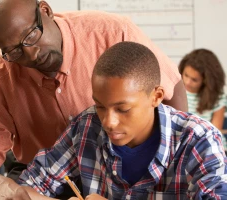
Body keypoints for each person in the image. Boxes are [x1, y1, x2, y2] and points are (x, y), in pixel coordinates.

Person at [0, 0, 188, 199]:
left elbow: (170, 84)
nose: (31, 54)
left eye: (31, 35)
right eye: (14, 51)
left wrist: (171, 161)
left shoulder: (111, 32)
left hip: (118, 169)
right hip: (43, 174)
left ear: (46, 10)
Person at [18, 41, 227, 199]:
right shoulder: (86, 126)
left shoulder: (199, 140)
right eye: (100, 106)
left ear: (156, 97)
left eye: (123, 109)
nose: (109, 122)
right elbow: (29, 187)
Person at [178, 49, 227, 150]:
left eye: (194, 80)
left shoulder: (217, 97)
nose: (187, 82)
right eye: (186, 75)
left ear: (206, 81)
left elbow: (214, 134)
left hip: (208, 146)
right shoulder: (175, 90)